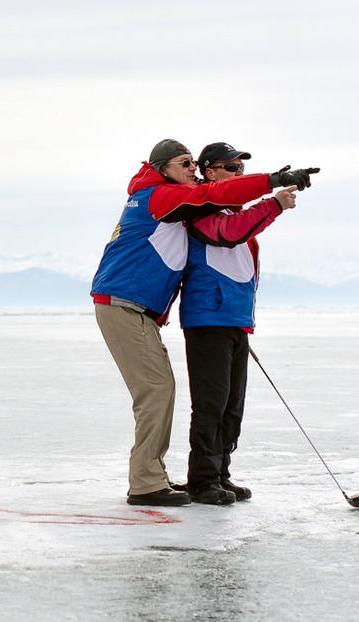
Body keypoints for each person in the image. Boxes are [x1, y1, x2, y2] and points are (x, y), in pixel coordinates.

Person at [90, 139, 318, 507]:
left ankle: (165, 476)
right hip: (124, 305)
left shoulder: (172, 198)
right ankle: (151, 482)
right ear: (162, 167)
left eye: (194, 164)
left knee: (179, 394)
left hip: (140, 309)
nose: (192, 170)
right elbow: (221, 214)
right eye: (185, 163)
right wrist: (274, 184)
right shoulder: (160, 195)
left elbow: (224, 209)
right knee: (159, 391)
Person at [178, 143, 312, 505]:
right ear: (210, 172)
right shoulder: (200, 209)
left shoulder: (232, 211)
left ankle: (220, 473)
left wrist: (271, 204)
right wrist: (274, 203)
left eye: (240, 168)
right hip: (207, 321)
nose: (237, 173)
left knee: (231, 406)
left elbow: (241, 236)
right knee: (211, 404)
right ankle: (203, 479)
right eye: (230, 168)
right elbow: (229, 232)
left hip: (235, 322)